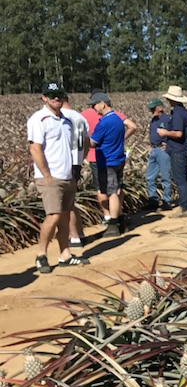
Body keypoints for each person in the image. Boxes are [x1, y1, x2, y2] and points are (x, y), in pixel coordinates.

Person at [27, 81, 89, 273]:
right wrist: (46, 175)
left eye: (59, 95)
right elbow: (34, 148)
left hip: (67, 176)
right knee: (53, 217)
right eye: (52, 95)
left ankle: (65, 255)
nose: (56, 98)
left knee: (64, 217)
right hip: (51, 178)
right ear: (44, 98)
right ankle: (41, 255)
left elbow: (79, 144)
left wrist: (76, 166)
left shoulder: (68, 120)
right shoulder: (39, 119)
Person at [87, 92, 137, 237]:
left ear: (102, 103)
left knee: (112, 193)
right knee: (118, 189)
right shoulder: (117, 119)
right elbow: (130, 128)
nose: (93, 108)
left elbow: (92, 142)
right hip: (118, 159)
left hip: (107, 161)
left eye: (94, 105)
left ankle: (113, 225)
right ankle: (120, 221)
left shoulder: (103, 123)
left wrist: (83, 139)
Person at [157, 85, 187, 218]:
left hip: (179, 150)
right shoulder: (182, 112)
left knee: (180, 179)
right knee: (185, 177)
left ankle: (185, 208)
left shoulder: (178, 113)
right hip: (182, 148)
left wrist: (164, 133)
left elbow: (178, 133)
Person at [60, 95, 90, 247]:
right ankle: (81, 233)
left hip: (64, 163)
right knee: (71, 201)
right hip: (76, 162)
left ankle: (74, 237)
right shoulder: (79, 117)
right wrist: (80, 158)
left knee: (66, 204)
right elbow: (86, 142)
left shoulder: (59, 116)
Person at [144, 98, 173, 211]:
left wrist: (168, 145)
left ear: (160, 108)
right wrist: (150, 146)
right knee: (150, 177)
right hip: (154, 150)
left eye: (153, 108)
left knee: (165, 177)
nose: (151, 111)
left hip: (163, 150)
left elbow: (174, 133)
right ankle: (153, 201)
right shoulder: (153, 120)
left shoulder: (168, 119)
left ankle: (166, 201)